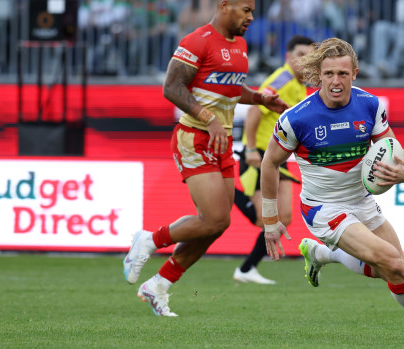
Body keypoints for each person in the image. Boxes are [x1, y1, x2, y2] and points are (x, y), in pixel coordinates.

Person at [259, 38, 404, 340]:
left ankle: (320, 254)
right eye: (328, 73)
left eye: (343, 74)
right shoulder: (296, 118)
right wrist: (270, 220)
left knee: (396, 269)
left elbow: (395, 149)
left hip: (362, 201)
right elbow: (269, 164)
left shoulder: (369, 105)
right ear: (318, 73)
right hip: (323, 208)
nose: (335, 81)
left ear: (354, 73)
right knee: (391, 261)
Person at [122, 0, 289, 317]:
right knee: (214, 219)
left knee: (215, 226)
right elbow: (171, 87)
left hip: (221, 140)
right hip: (195, 137)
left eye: (253, 11)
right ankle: (148, 239)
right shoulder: (197, 40)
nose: (251, 17)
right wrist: (206, 117)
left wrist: (261, 98)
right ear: (224, 5)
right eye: (245, 10)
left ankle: (158, 285)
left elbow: (230, 89)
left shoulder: (239, 45)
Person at [232, 35, 314, 285]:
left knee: (284, 217)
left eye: (309, 57)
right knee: (263, 219)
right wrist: (250, 148)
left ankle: (246, 270)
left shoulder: (300, 85)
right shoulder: (283, 79)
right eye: (300, 55)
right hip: (260, 153)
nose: (304, 61)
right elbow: (256, 108)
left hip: (278, 157)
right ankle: (226, 192)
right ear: (288, 57)